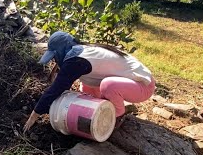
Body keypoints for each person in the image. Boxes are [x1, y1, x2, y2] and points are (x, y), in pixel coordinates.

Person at [23, 31, 155, 132]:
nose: (54, 60)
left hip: (143, 86)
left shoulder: (76, 61)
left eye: (55, 56)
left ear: (62, 51)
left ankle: (116, 115)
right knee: (85, 87)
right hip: (129, 84)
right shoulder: (81, 52)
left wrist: (34, 115)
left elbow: (56, 89)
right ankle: (102, 109)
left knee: (108, 86)